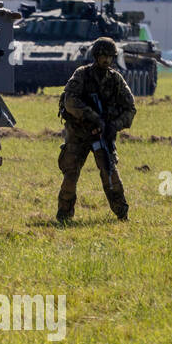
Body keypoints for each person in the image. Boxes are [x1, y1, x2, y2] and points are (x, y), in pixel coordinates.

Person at [57, 37, 137, 222]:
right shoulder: (82, 75)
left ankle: (122, 213)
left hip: (102, 134)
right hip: (79, 132)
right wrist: (91, 117)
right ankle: (64, 215)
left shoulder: (116, 79)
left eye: (110, 56)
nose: (106, 60)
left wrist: (112, 126)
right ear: (95, 56)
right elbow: (70, 101)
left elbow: (130, 108)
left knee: (109, 171)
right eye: (103, 56)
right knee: (71, 174)